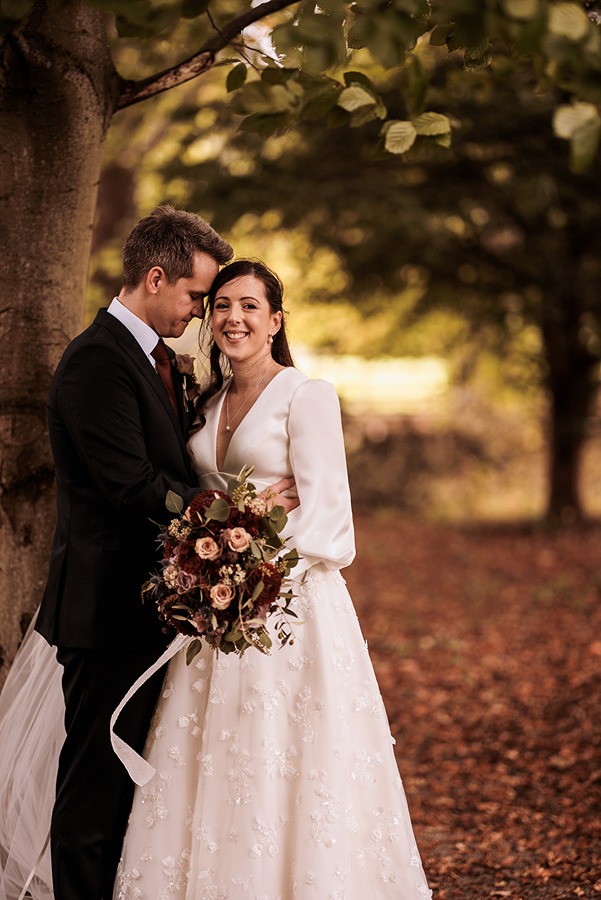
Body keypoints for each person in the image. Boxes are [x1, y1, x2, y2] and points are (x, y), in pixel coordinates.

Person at [110, 259, 432, 898]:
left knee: (283, 753)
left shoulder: (306, 395)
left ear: (275, 320)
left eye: (250, 306)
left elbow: (333, 526)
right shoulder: (203, 403)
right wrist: (217, 552)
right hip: (213, 608)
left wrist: (255, 546)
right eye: (221, 305)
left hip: (288, 608)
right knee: (214, 755)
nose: (234, 318)